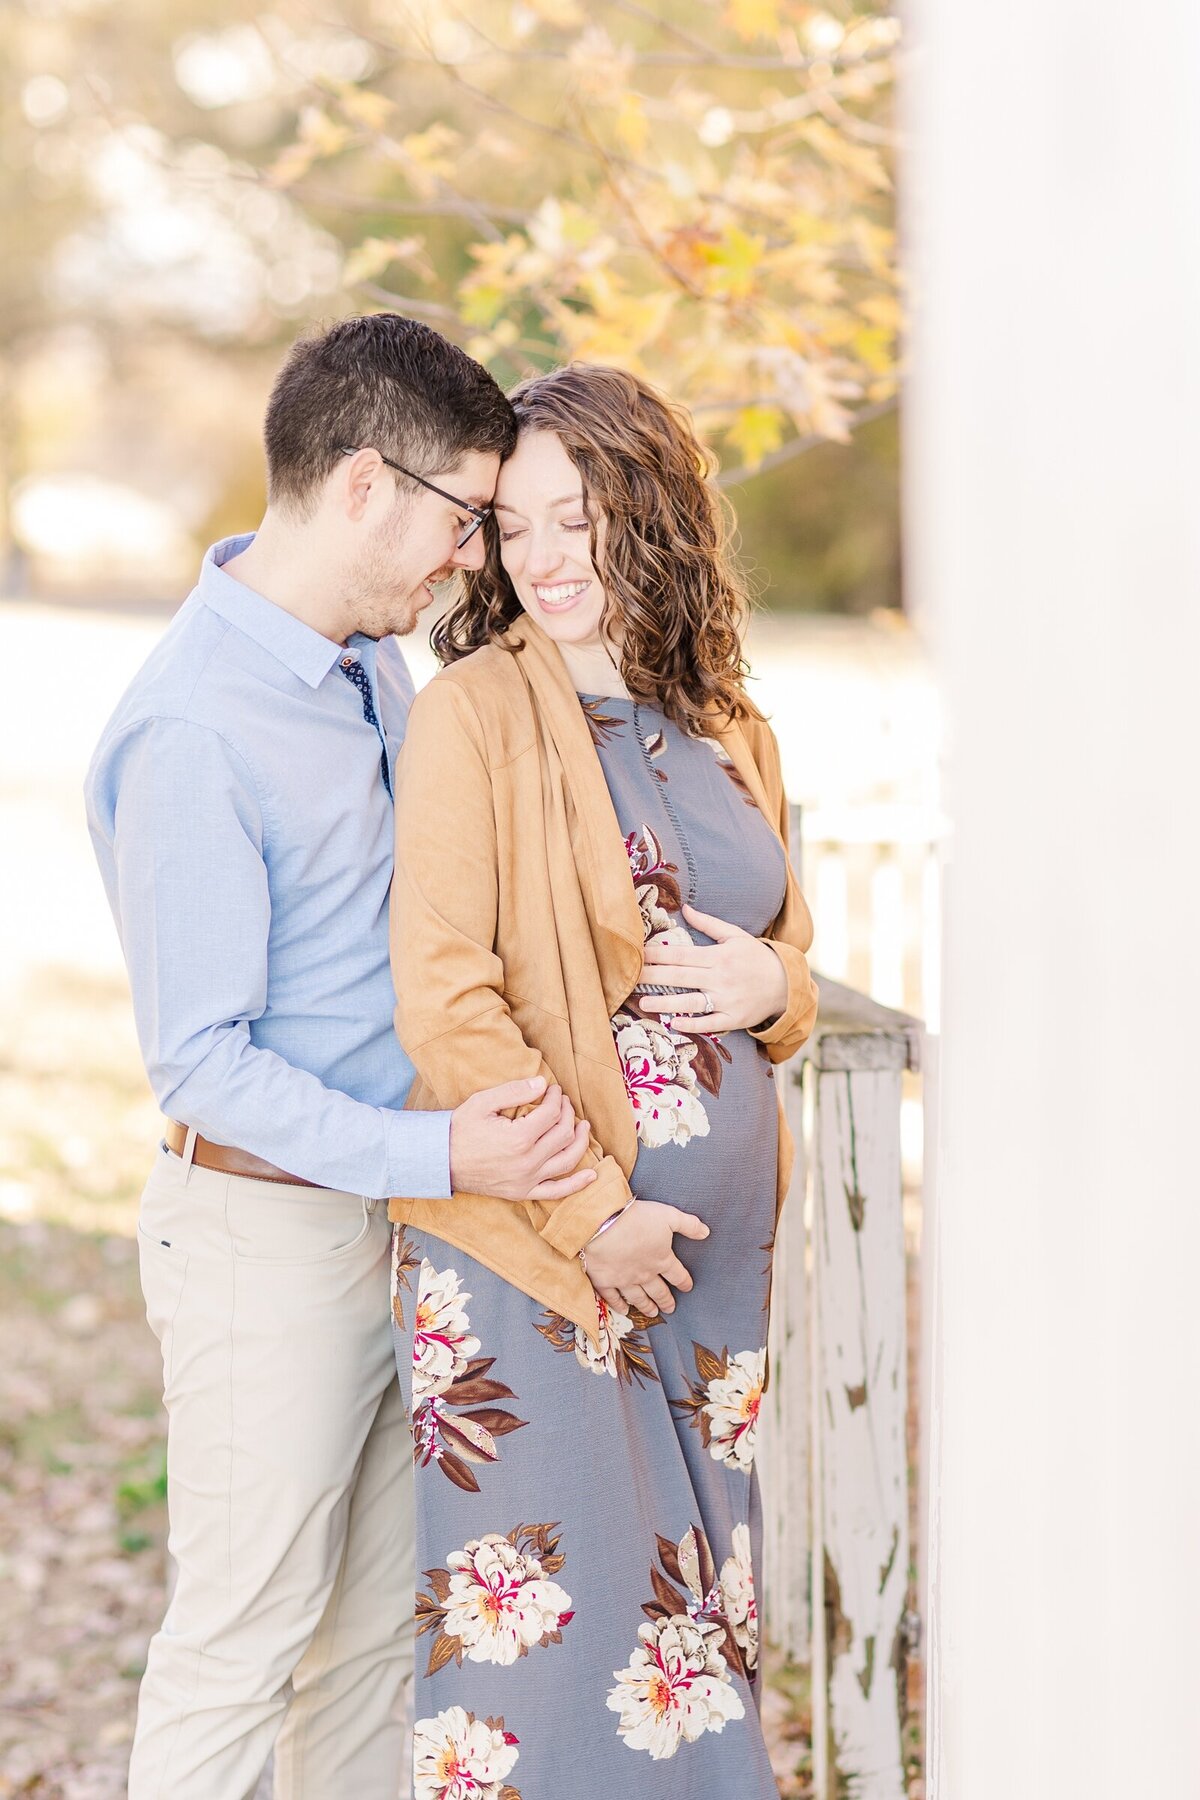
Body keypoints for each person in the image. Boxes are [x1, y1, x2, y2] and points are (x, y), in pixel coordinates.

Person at [84, 315, 599, 1800]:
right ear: (368, 487)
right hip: (266, 1237)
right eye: (461, 516)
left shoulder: (370, 672)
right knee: (242, 1641)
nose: (465, 556)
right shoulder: (193, 731)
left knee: (376, 1640)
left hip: (405, 1224)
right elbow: (199, 1064)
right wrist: (446, 1154)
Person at [388, 363, 819, 1797]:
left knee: (700, 1648)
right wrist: (592, 1215)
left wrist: (782, 992)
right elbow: (449, 997)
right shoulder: (473, 715)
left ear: (656, 509)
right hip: (549, 1255)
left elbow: (782, 953)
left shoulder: (730, 721)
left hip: (715, 1280)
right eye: (517, 527)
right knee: (562, 1670)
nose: (547, 557)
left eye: (579, 517)